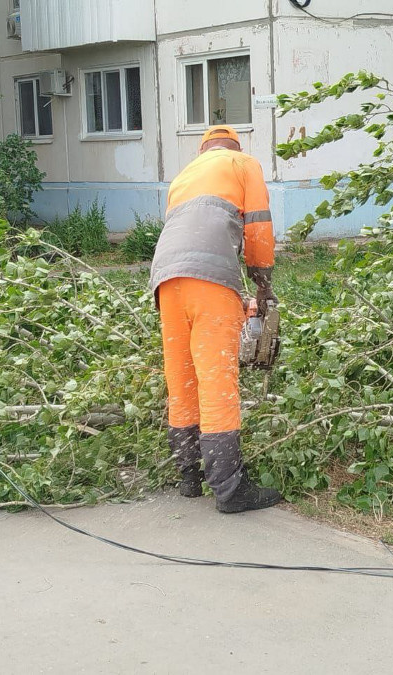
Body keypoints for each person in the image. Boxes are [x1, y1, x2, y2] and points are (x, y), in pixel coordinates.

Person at [149, 125, 282, 514]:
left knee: (182, 376)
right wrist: (261, 284)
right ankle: (230, 489)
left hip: (165, 282)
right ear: (234, 147)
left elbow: (191, 240)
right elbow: (257, 227)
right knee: (216, 381)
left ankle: (189, 477)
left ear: (203, 149)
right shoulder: (244, 164)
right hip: (209, 280)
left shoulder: (183, 177)